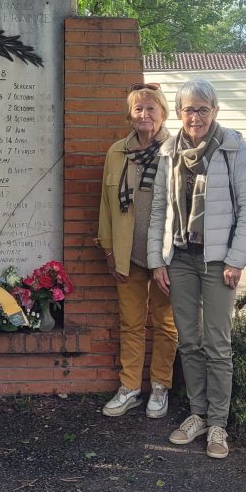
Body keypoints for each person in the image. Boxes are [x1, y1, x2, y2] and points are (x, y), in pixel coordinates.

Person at [148, 79, 246, 459]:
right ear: (178, 113)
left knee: (217, 342)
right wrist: (156, 261)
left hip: (217, 261)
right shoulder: (168, 151)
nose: (195, 117)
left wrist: (235, 258)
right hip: (179, 258)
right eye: (189, 110)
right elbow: (159, 210)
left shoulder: (231, 147)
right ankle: (197, 413)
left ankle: (217, 425)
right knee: (189, 340)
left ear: (214, 111)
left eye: (203, 109)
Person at [96, 82, 178, 418]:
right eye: (138, 109)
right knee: (130, 323)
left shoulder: (176, 150)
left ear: (162, 113)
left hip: (166, 255)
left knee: (166, 323)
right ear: (131, 114)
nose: (145, 114)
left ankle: (160, 387)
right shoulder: (117, 152)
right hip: (128, 253)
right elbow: (106, 205)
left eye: (151, 108)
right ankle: (129, 387)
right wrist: (109, 250)